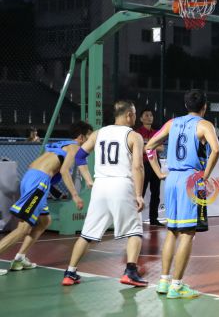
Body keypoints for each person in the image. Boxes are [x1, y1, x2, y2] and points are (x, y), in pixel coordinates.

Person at [61, 100, 147, 287]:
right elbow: (138, 167)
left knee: (87, 234)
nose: (134, 116)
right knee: (135, 231)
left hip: (100, 186)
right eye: (134, 113)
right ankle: (130, 272)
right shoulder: (134, 136)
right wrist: (139, 194)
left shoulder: (98, 134)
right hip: (121, 185)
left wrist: (88, 179)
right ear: (129, 115)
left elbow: (80, 156)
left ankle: (70, 272)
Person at [145, 90, 219, 299]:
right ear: (204, 106)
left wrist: (158, 172)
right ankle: (177, 286)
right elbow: (216, 150)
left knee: (172, 231)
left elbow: (149, 146)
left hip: (171, 179)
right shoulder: (204, 125)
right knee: (187, 233)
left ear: (186, 105)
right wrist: (205, 176)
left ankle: (163, 281)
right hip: (191, 180)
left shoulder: (172, 123)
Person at [0, 121, 92, 276]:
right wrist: (75, 196)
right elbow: (64, 171)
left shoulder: (63, 145)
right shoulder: (75, 147)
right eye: (89, 137)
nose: (91, 141)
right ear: (81, 137)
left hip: (31, 177)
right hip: (38, 182)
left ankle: (19, 258)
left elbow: (37, 165)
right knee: (23, 229)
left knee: (44, 221)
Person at [136, 108, 164, 226]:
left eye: (151, 115)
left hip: (155, 165)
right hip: (143, 165)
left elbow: (161, 148)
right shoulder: (137, 133)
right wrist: (152, 146)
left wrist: (147, 146)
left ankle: (154, 219)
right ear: (141, 118)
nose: (149, 117)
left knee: (156, 193)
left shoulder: (157, 133)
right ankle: (136, 219)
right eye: (146, 115)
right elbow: (138, 149)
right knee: (140, 192)